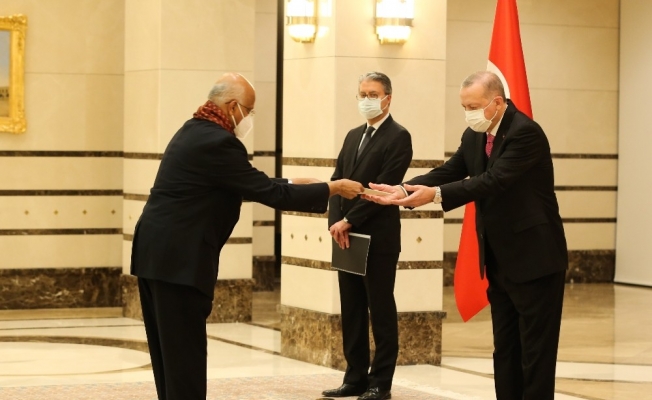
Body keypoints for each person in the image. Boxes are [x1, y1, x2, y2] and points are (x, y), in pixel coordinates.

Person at [131, 73, 364, 400]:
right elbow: (266, 192)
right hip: (179, 260)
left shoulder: (193, 130)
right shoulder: (219, 142)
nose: (249, 117)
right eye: (249, 110)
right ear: (232, 107)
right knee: (184, 358)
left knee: (168, 355)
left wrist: (294, 182)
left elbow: (241, 183)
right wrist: (333, 188)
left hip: (155, 254)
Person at [364, 70, 568, 400]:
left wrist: (435, 196)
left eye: (473, 106)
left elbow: (494, 181)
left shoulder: (525, 133)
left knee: (536, 353)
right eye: (464, 106)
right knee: (505, 348)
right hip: (499, 258)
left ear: (497, 102)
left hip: (535, 258)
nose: (468, 113)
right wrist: (405, 188)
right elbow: (451, 169)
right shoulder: (476, 134)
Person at [322, 72, 413, 400]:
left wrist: (349, 219)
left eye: (372, 94)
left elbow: (384, 188)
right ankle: (355, 377)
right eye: (362, 94)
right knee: (352, 308)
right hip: (346, 236)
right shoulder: (352, 135)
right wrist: (336, 222)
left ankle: (380, 383)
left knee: (380, 309)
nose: (366, 100)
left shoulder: (398, 136)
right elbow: (337, 181)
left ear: (388, 98)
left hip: (378, 237)